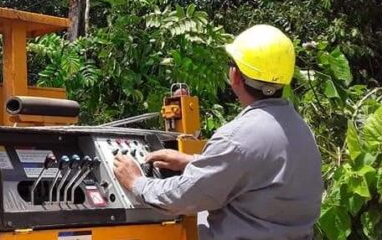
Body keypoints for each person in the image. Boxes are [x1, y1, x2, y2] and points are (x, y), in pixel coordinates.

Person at [113, 25, 323, 240]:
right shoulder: (300, 129)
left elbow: (184, 198)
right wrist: (192, 161)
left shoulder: (237, 138)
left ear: (235, 76)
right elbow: (256, 169)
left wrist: (137, 183)